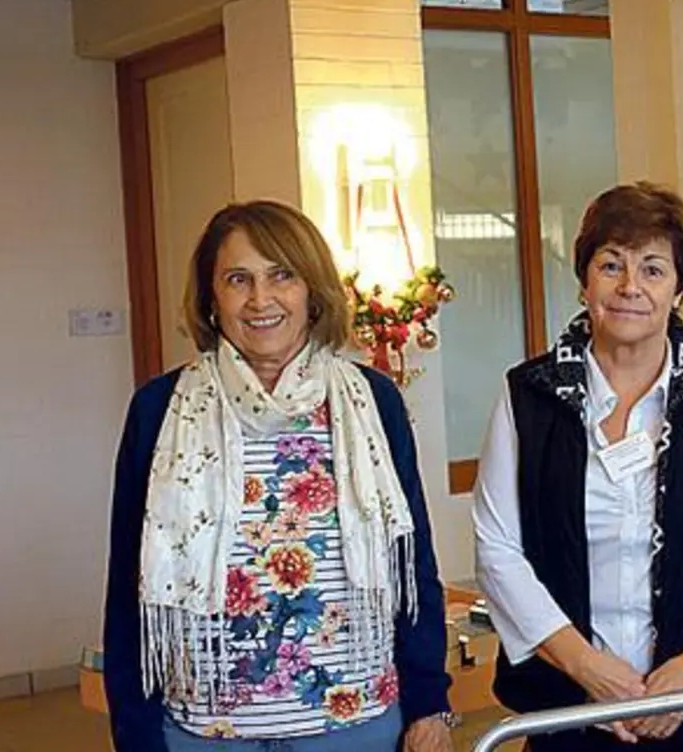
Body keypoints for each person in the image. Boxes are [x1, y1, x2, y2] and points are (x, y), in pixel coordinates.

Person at [103, 201, 456, 752]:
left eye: (281, 275)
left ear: (312, 292)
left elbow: (412, 562)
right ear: (211, 298)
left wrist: (430, 702)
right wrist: (134, 731)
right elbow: (128, 581)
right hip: (204, 730)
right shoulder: (159, 409)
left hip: (354, 723)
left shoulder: (373, 400)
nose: (260, 299)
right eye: (238, 279)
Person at [473, 183, 683, 751]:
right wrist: (588, 668)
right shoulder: (529, 396)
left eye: (654, 270)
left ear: (679, 288)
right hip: (569, 706)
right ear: (585, 280)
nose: (631, 287)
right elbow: (497, 547)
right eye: (611, 265)